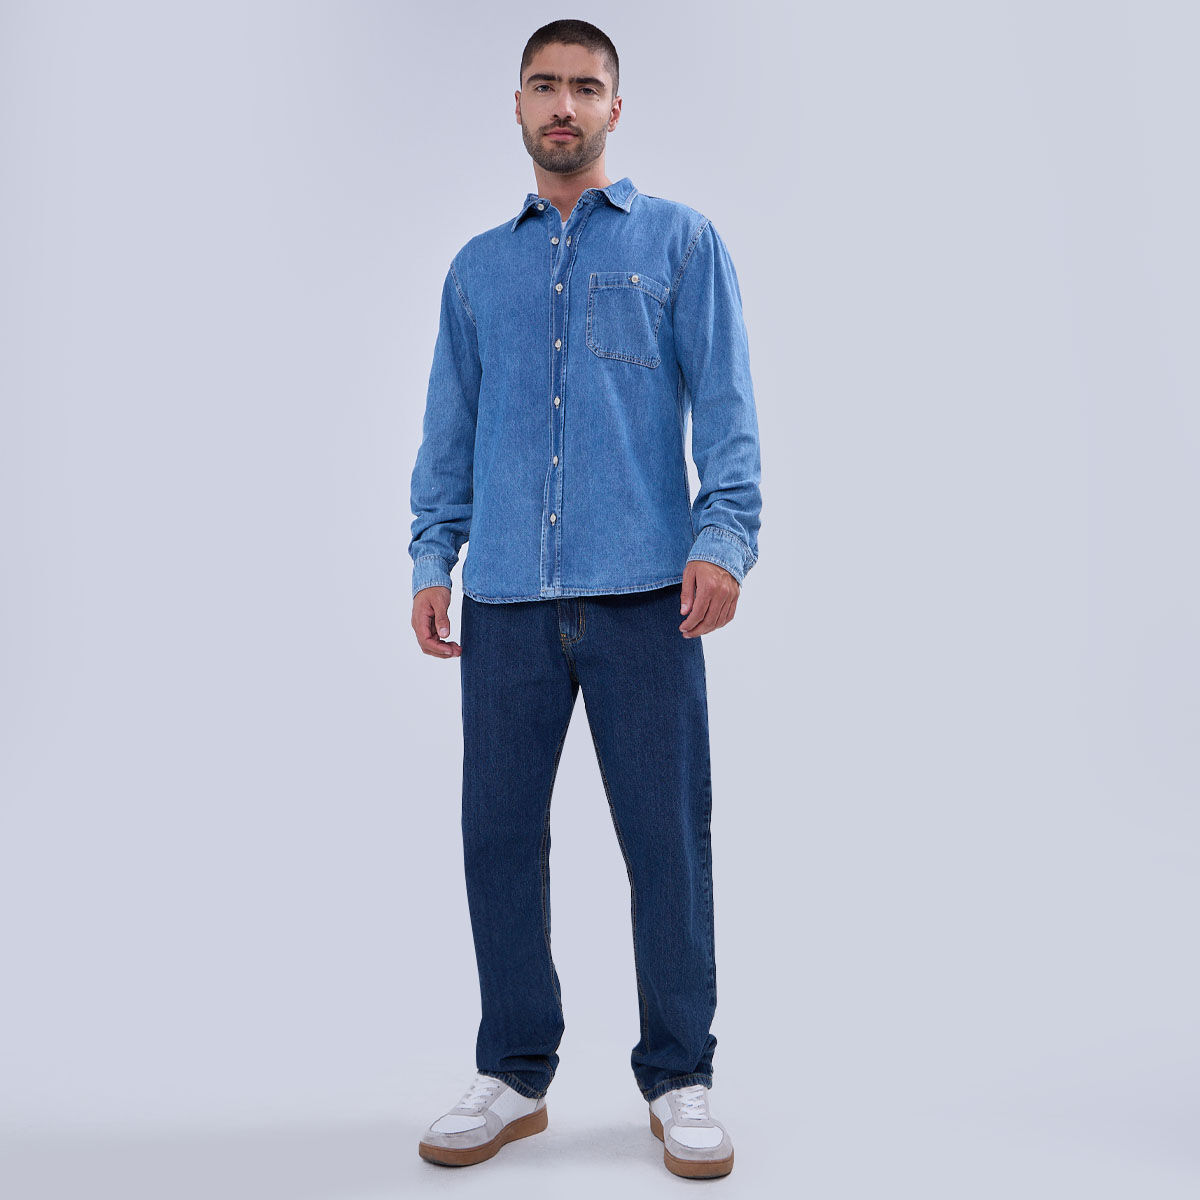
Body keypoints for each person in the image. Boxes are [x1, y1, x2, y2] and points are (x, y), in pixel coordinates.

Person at [408, 18, 762, 1180]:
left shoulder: (680, 242)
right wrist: (432, 558)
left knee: (667, 842)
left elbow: (729, 412)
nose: (564, 104)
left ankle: (681, 1077)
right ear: (517, 106)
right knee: (499, 840)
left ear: (616, 107)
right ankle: (515, 1074)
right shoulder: (478, 269)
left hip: (645, 599)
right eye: (544, 86)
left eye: (585, 87)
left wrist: (725, 540)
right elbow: (449, 430)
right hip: (508, 597)